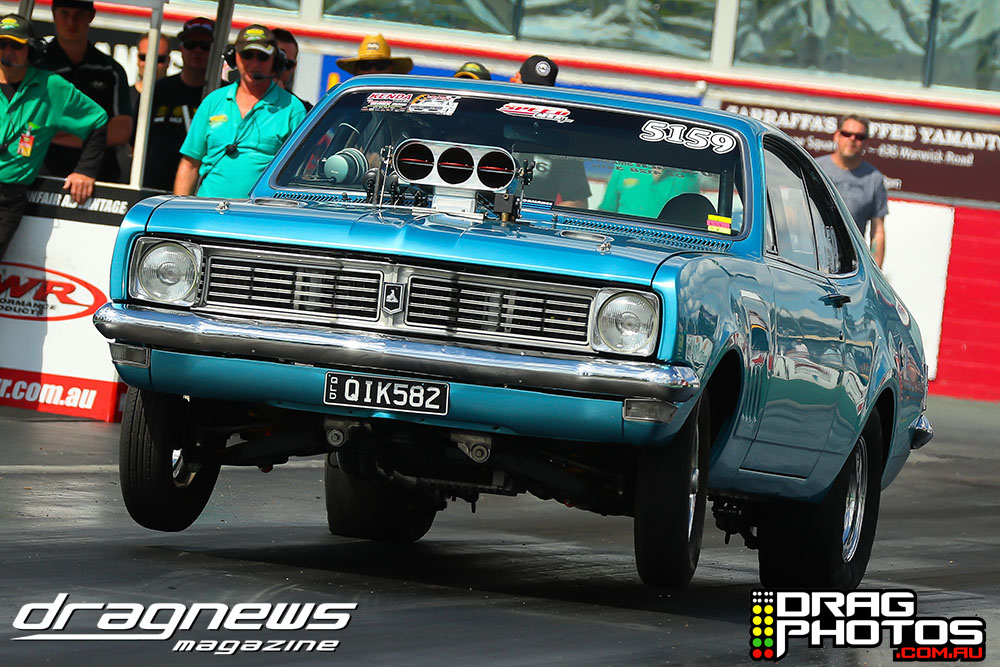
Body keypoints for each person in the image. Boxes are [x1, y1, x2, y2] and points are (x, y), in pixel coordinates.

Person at [0, 14, 107, 259]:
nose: (7, 51)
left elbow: (98, 120)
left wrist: (86, 171)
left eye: (16, 45)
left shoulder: (52, 87)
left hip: (8, 197)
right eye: (1, 44)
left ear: (31, 49)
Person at [174, 25, 305, 198]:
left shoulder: (292, 109)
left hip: (258, 213)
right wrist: (178, 207)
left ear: (275, 60)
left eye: (262, 57)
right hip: (206, 209)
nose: (254, 64)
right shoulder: (213, 101)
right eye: (247, 55)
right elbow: (190, 164)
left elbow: (298, 177)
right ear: (233, 57)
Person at [36, 0, 131, 184]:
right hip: (42, 174)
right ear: (54, 13)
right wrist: (93, 135)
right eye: (65, 13)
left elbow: (121, 131)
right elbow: (27, 123)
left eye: (79, 15)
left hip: (98, 178)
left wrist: (55, 133)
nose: (71, 22)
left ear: (91, 16)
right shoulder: (36, 66)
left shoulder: (111, 70)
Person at [137, 17, 213, 191]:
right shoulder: (157, 90)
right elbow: (134, 142)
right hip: (152, 189)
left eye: (205, 46)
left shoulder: (223, 96)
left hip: (200, 193)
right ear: (181, 49)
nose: (197, 51)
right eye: (190, 45)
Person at [510, 55, 589, 208]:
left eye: (542, 92)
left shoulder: (560, 142)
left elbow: (577, 202)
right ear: (516, 80)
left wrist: (535, 215)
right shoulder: (489, 125)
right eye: (529, 88)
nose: (535, 98)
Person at [816, 114, 888, 267]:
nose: (852, 139)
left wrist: (876, 272)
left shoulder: (874, 178)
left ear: (866, 142)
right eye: (847, 134)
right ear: (837, 135)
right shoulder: (816, 168)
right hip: (812, 260)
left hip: (850, 267)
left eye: (859, 136)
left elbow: (878, 230)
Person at [599, 166, 700, 218]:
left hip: (667, 241)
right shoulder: (625, 166)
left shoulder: (688, 177)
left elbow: (695, 221)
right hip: (622, 238)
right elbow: (606, 212)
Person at [271, 28, 312, 112]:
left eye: (287, 64)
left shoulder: (305, 111)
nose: (280, 69)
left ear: (294, 67)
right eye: (276, 61)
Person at [336, 33, 412, 76]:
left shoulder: (403, 95)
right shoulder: (347, 95)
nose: (373, 71)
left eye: (381, 65)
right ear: (356, 70)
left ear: (391, 68)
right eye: (365, 66)